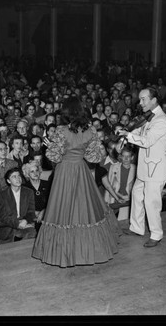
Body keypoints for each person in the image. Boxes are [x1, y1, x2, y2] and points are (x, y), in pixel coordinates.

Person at [32, 96, 120, 267]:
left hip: (64, 172)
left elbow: (53, 156)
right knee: (84, 209)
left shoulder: (61, 130)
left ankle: (65, 254)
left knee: (62, 209)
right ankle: (88, 252)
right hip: (81, 170)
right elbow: (94, 157)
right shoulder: (91, 130)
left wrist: (50, 146)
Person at [118, 88, 166, 248]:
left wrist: (127, 135)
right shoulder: (150, 116)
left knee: (151, 201)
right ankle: (137, 227)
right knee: (136, 194)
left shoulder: (161, 120)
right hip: (144, 168)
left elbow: (147, 141)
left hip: (155, 169)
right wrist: (124, 133)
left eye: (143, 99)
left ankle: (156, 234)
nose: (140, 103)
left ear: (154, 100)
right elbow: (138, 130)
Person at [0, 168, 37, 244]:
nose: (18, 179)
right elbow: (2, 216)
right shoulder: (2, 195)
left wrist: (25, 220)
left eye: (19, 176)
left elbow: (31, 212)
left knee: (32, 233)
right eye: (14, 177)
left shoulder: (29, 192)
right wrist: (17, 224)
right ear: (8, 181)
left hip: (24, 226)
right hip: (8, 227)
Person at [22, 160, 51, 233]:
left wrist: (44, 211)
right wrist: (34, 212)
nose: (35, 173)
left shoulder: (48, 184)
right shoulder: (24, 188)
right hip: (31, 219)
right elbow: (23, 206)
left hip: (49, 216)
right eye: (32, 171)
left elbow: (53, 201)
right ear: (27, 174)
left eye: (37, 170)